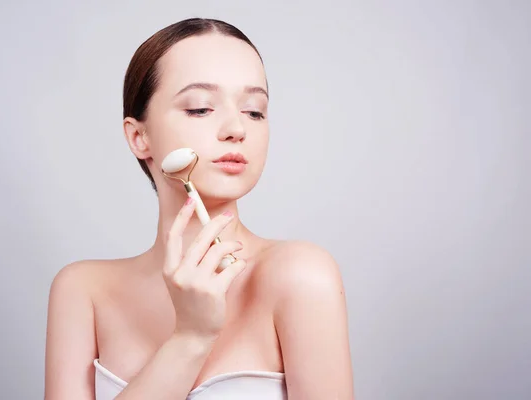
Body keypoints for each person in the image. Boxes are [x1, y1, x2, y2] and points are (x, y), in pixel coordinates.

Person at [44, 17, 354, 400]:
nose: (236, 128)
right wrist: (191, 337)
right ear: (139, 137)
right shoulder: (83, 291)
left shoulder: (301, 276)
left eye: (254, 111)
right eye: (200, 108)